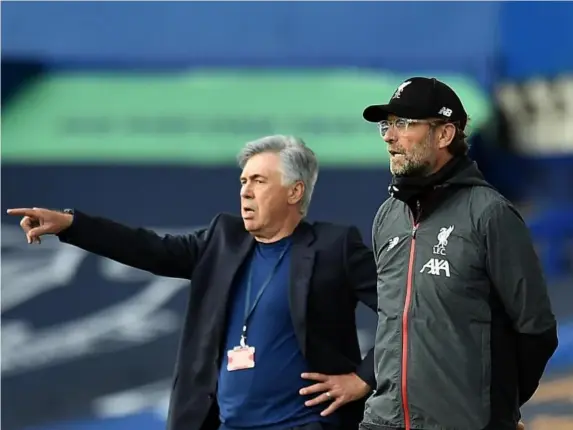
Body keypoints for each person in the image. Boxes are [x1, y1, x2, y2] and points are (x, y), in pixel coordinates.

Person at [7, 135, 378, 430]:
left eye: (259, 181)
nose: (245, 191)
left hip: (304, 424)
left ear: (295, 192)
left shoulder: (334, 246)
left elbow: (407, 309)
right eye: (243, 181)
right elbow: (147, 248)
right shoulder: (222, 240)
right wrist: (73, 225)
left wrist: (363, 378)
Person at [359, 77, 558, 430]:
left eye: (404, 124)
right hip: (383, 422)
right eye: (387, 125)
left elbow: (536, 330)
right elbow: (394, 325)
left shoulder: (490, 215)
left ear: (444, 135)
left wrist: (495, 410)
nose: (390, 136)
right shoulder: (387, 217)